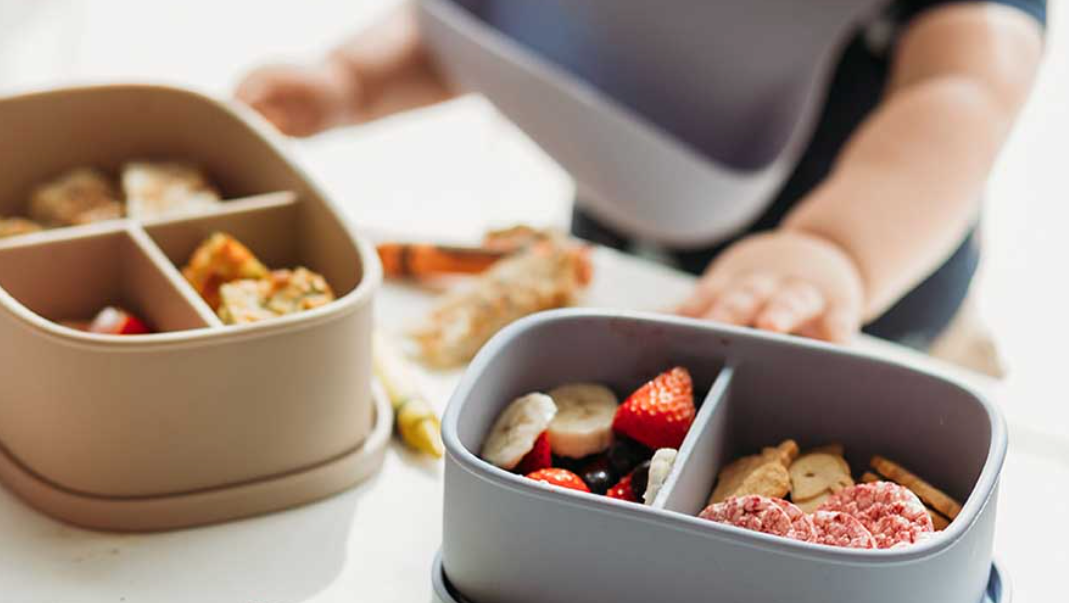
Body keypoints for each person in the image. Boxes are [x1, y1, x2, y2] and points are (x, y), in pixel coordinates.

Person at [236, 2, 1044, 357]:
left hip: (857, 304)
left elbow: (965, 93)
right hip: (631, 244)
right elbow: (498, 14)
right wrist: (352, 80)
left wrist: (836, 250)